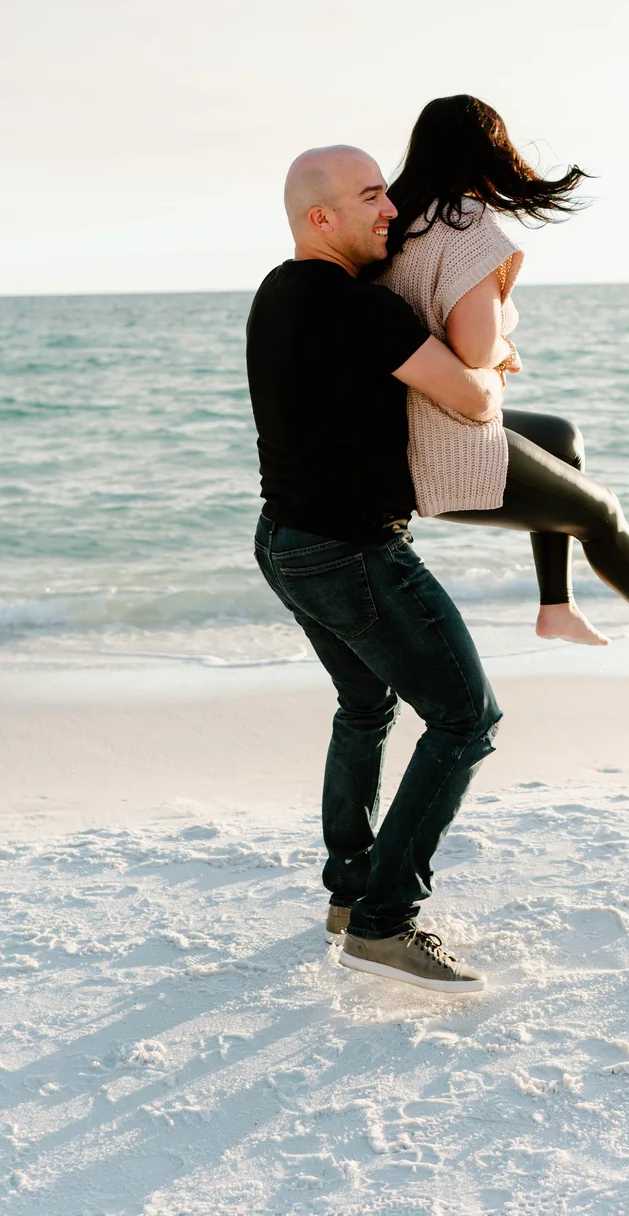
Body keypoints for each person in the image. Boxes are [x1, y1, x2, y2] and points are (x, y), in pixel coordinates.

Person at [247, 143, 507, 993]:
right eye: (372, 199)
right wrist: (495, 366)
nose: (390, 210)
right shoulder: (359, 308)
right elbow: (467, 398)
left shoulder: (276, 296)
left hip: (283, 542)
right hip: (350, 549)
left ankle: (349, 892)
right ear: (321, 218)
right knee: (466, 720)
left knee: (365, 704)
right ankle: (385, 923)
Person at [375, 95, 629, 652]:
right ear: (489, 152)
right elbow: (475, 349)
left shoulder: (398, 220)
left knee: (562, 437)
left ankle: (556, 606)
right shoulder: (463, 220)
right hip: (441, 443)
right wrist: (505, 347)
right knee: (601, 510)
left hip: (399, 427)